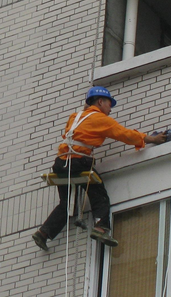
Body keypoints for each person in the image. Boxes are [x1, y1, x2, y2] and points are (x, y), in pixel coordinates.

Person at [31, 87, 166, 251]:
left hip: (61, 163)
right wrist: (151, 138)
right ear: (100, 102)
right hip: (78, 162)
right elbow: (125, 134)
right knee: (99, 195)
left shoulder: (75, 117)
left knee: (66, 205)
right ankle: (101, 228)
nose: (110, 109)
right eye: (109, 104)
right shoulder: (101, 119)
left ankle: (43, 233)